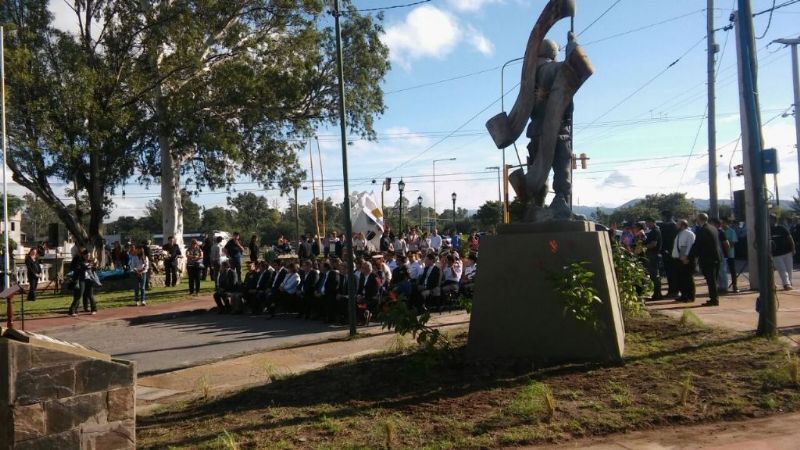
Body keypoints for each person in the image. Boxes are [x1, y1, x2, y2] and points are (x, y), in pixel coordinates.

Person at [690, 213, 722, 307]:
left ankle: (714, 299)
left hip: (708, 258)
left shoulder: (703, 230)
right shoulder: (713, 228)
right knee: (713, 279)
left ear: (699, 219)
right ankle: (714, 298)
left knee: (710, 280)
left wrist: (690, 256)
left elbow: (698, 245)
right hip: (716, 257)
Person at [770, 213, 796, 290]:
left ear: (775, 220)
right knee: (782, 269)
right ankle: (786, 284)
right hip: (776, 254)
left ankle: (789, 282)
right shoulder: (767, 230)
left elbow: (790, 238)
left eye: (773, 219)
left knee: (789, 269)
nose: (771, 221)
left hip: (787, 252)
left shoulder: (782, 228)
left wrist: (793, 248)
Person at [673, 219, 696, 302]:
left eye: (678, 224)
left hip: (686, 259)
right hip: (679, 259)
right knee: (681, 279)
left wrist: (686, 257)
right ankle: (683, 295)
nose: (676, 225)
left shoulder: (689, 234)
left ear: (683, 225)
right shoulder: (679, 234)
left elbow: (690, 247)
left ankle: (690, 296)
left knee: (688, 279)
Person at [660, 211, 679, 297]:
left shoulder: (666, 225)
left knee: (670, 273)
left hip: (668, 252)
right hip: (674, 251)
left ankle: (672, 291)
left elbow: (665, 240)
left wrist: (665, 250)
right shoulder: (675, 224)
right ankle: (674, 291)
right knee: (673, 273)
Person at [643, 218, 663, 300]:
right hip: (652, 255)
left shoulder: (655, 231)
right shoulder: (653, 231)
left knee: (655, 276)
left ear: (652, 222)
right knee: (653, 276)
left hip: (653, 255)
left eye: (648, 223)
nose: (647, 225)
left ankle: (657, 294)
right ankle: (656, 294)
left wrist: (644, 247)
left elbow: (654, 244)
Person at [68, 248, 89, 316]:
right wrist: (85, 267)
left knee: (78, 295)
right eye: (85, 255)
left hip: (81, 279)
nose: (86, 256)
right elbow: (74, 268)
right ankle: (72, 310)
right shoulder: (77, 259)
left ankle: (75, 309)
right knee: (78, 295)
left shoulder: (82, 259)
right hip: (77, 279)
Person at [721, 218, 739, 293]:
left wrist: (726, 246)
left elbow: (733, 242)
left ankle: (735, 285)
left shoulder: (732, 231)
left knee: (732, 270)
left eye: (724, 223)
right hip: (722, 254)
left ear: (727, 223)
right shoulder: (720, 231)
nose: (722, 224)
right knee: (722, 270)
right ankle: (723, 286)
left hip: (730, 253)